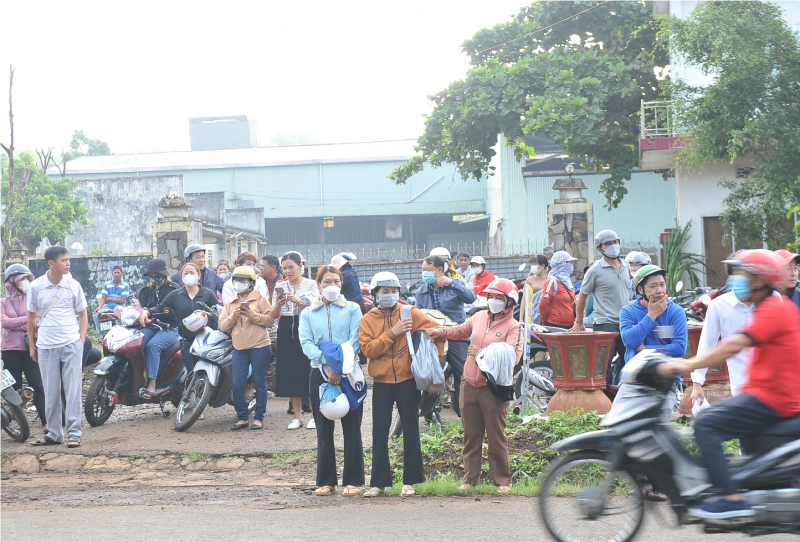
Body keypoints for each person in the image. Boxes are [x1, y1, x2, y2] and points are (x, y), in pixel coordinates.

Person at [659, 249, 800, 520]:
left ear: (761, 280)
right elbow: (723, 343)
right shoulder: (763, 307)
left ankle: (731, 498)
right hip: (763, 393)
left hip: (773, 398)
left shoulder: (773, 308)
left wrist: (686, 365)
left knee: (707, 424)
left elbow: (735, 343)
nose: (737, 280)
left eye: (744, 275)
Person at [427, 278, 523, 493]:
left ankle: (502, 480)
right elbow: (461, 331)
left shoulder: (514, 327)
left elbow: (513, 357)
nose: (493, 301)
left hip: (493, 388)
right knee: (471, 435)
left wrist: (482, 354)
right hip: (469, 382)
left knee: (496, 435)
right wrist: (440, 331)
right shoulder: (479, 317)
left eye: (499, 298)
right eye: (491, 297)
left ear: (509, 301)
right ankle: (470, 479)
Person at [359, 271, 444, 498]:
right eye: (385, 291)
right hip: (381, 383)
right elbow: (368, 350)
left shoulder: (410, 312)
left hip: (408, 380)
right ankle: (378, 483)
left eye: (394, 291)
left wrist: (433, 355)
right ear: (376, 294)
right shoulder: (367, 319)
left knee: (411, 429)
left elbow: (437, 330)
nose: (390, 295)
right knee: (379, 431)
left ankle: (411, 482)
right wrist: (393, 333)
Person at [299, 265, 364, 497]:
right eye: (327, 282)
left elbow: (356, 340)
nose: (332, 286)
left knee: (352, 428)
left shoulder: (353, 308)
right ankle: (327, 481)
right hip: (319, 373)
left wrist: (340, 368)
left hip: (349, 373)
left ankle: (353, 481)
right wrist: (327, 363)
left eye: (336, 281)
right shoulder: (308, 313)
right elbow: (306, 343)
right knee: (324, 429)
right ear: (318, 285)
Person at [27, 246, 88, 448]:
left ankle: (74, 433)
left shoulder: (73, 285)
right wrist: (32, 346)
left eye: (68, 259)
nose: (68, 263)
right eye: (64, 260)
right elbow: (31, 317)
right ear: (51, 263)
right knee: (50, 391)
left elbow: (83, 314)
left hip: (71, 344)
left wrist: (80, 340)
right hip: (46, 346)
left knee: (73, 390)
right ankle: (54, 433)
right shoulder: (36, 287)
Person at [138, 262, 219, 396]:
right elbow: (160, 308)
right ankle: (194, 402)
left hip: (205, 341)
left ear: (198, 276)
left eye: (192, 273)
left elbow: (218, 312)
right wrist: (147, 312)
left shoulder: (208, 294)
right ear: (181, 277)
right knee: (192, 374)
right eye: (185, 273)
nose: (188, 275)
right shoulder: (176, 294)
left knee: (206, 373)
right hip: (187, 341)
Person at [414, 254, 477, 416]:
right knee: (425, 371)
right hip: (433, 337)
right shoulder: (421, 291)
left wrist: (453, 283)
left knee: (463, 373)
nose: (424, 273)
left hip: (456, 335)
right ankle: (427, 410)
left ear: (439, 270)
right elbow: (419, 315)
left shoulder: (453, 284)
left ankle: (465, 411)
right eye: (423, 270)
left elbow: (471, 297)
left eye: (428, 270)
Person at [690, 251, 755, 401]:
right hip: (741, 387)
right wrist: (697, 382)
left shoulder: (772, 301)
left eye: (748, 273)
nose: (743, 278)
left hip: (774, 385)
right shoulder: (719, 306)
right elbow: (707, 343)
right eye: (738, 273)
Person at [570, 230, 630, 387]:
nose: (613, 246)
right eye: (608, 244)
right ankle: (603, 400)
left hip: (625, 323)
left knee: (628, 365)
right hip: (605, 324)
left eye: (615, 242)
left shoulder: (626, 266)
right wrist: (578, 321)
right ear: (600, 249)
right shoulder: (595, 270)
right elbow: (582, 295)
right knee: (603, 368)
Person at [218, 266, 274, 431]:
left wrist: (251, 315)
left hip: (260, 346)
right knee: (237, 383)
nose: (239, 283)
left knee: (259, 381)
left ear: (251, 282)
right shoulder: (230, 303)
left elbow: (269, 319)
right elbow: (222, 325)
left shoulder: (260, 298)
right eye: (236, 280)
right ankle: (243, 417)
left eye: (243, 280)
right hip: (239, 348)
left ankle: (259, 417)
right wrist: (233, 316)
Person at [269, 252, 319, 430]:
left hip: (305, 325)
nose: (288, 271)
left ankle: (315, 414)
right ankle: (298, 416)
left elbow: (314, 306)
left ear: (300, 266)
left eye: (291, 267)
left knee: (308, 369)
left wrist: (297, 299)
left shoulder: (311, 284)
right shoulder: (280, 285)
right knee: (290, 371)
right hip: (286, 327)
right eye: (285, 268)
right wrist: (279, 303)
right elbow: (274, 313)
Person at [2, 264, 46, 433]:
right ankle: (18, 423)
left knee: (38, 386)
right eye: (22, 279)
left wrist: (18, 322)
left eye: (28, 278)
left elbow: (38, 320)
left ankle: (46, 423)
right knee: (15, 389)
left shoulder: (33, 301)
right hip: (10, 351)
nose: (26, 282)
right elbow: (4, 322)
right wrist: (27, 320)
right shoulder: (3, 302)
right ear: (12, 281)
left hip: (31, 349)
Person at [136, 259, 181, 391]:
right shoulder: (145, 291)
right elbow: (142, 307)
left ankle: (152, 382)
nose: (155, 279)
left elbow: (176, 313)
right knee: (137, 343)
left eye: (158, 276)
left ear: (164, 275)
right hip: (151, 326)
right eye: (152, 276)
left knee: (153, 346)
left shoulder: (174, 290)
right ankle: (138, 378)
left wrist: (162, 311)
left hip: (170, 327)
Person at [538, 251, 578, 328]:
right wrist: (545, 322)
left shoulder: (567, 281)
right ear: (561, 264)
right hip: (555, 326)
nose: (570, 265)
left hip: (570, 326)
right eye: (567, 262)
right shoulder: (552, 281)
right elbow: (542, 304)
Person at [92, 265, 129, 333]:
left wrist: (109, 298)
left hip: (119, 308)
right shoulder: (107, 284)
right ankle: (102, 334)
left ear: (122, 274)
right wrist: (99, 307)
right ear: (112, 274)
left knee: (124, 320)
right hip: (107, 307)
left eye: (118, 272)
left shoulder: (125, 286)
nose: (116, 274)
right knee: (95, 315)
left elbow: (122, 300)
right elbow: (103, 298)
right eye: (115, 272)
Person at [520, 255, 550, 324]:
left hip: (546, 314)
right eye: (532, 264)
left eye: (535, 264)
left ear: (543, 266)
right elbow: (524, 299)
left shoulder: (550, 278)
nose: (532, 267)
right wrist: (521, 318)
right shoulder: (529, 280)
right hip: (532, 314)